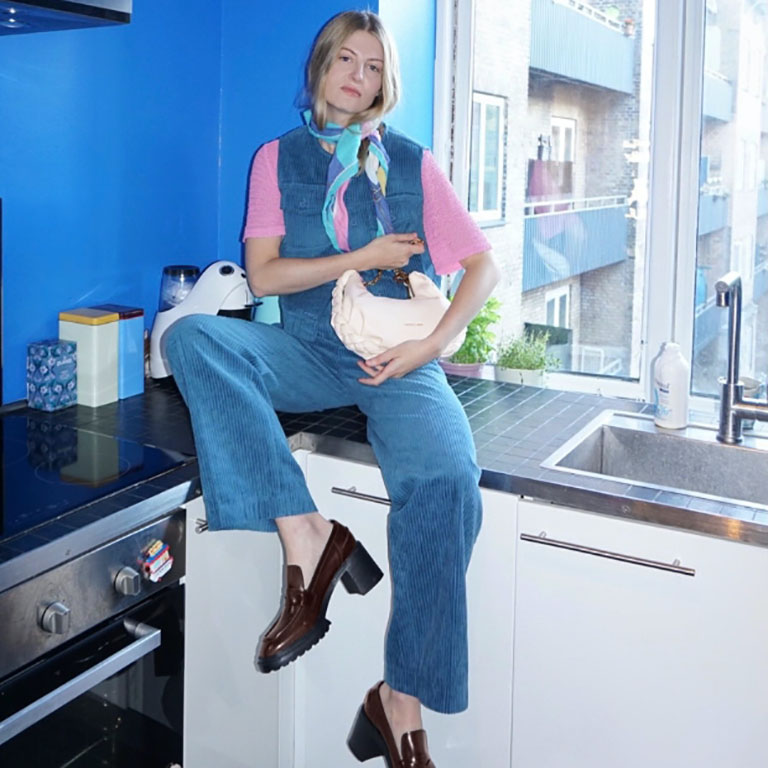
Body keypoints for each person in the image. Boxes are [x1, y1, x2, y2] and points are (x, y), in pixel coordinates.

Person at [165, 9, 499, 767]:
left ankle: (398, 703)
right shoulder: (276, 158)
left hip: (397, 355)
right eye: (345, 59)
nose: (357, 75)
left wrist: (432, 345)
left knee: (449, 478)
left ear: (385, 83)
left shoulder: (413, 164)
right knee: (192, 337)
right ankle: (307, 534)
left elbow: (482, 267)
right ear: (319, 69)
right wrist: (363, 255)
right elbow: (264, 275)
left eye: (374, 66)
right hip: (306, 345)